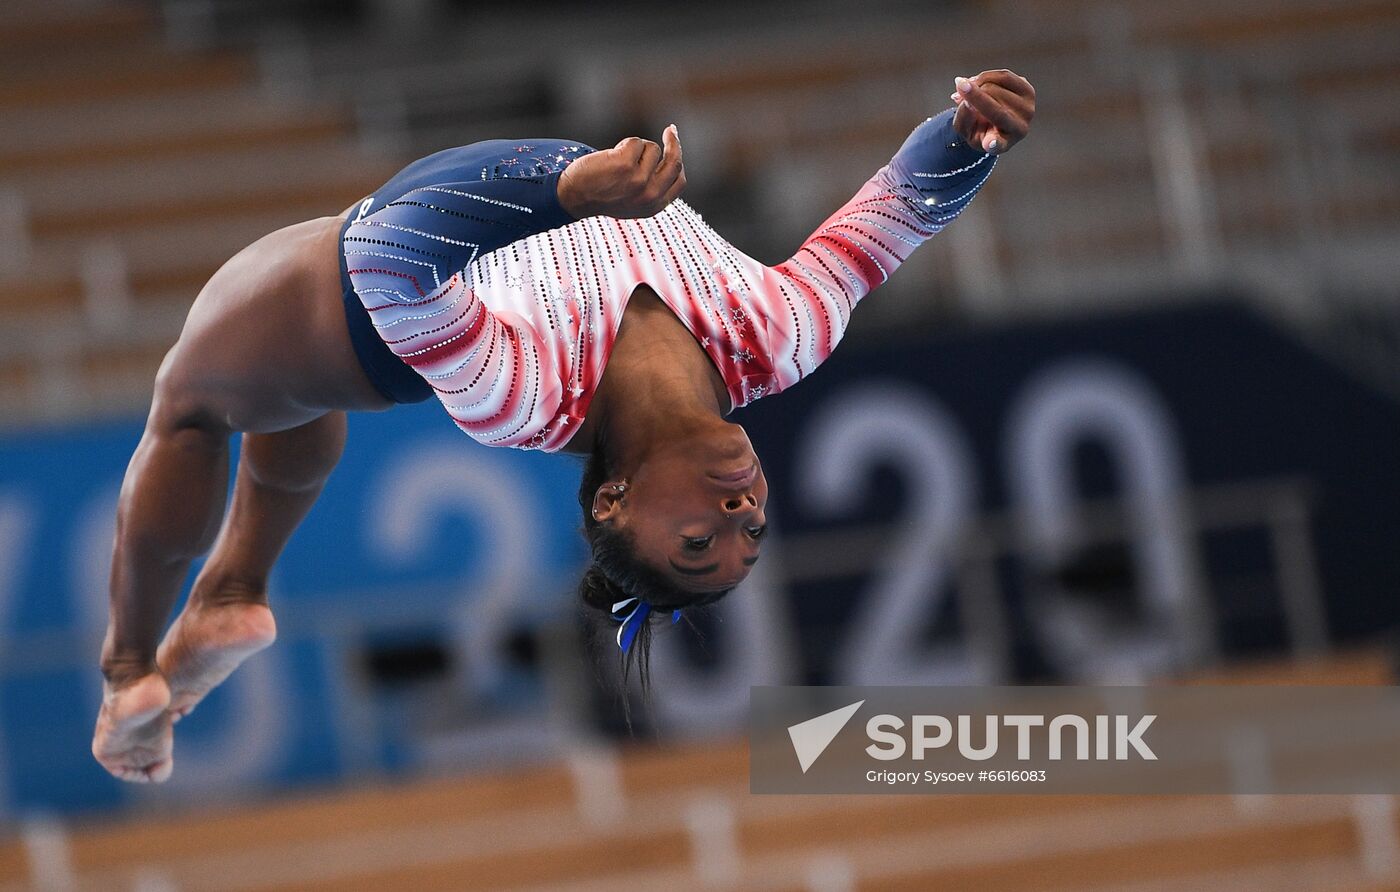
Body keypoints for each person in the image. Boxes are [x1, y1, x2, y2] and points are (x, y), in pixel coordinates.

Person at [92, 70, 1035, 782]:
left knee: (189, 406)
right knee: (287, 420)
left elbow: (384, 250)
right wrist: (967, 137)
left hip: (352, 304)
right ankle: (230, 591)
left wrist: (568, 194)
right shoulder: (778, 339)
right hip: (383, 303)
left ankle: (129, 664)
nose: (743, 508)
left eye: (702, 538)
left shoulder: (528, 399)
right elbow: (890, 223)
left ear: (615, 501)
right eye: (753, 528)